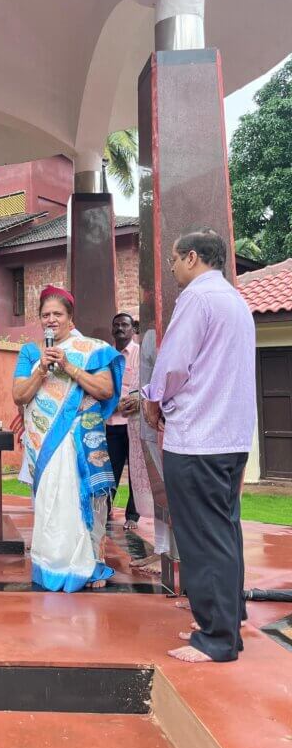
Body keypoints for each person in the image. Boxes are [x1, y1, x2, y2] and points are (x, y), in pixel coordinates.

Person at [142, 228, 256, 664]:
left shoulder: (197, 299)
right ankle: (227, 620)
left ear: (192, 258)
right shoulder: (235, 302)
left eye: (173, 259)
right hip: (229, 438)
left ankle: (216, 639)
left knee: (202, 537)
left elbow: (172, 365)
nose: (171, 268)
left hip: (199, 439)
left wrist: (154, 401)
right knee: (224, 530)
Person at [13, 286, 124, 591]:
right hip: (44, 443)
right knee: (49, 504)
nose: (51, 319)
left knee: (79, 500)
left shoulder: (91, 349)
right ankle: (51, 565)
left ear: (70, 318)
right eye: (45, 314)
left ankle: (86, 566)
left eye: (57, 314)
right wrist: (42, 372)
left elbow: (105, 391)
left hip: (78, 441)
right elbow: (18, 394)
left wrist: (68, 366)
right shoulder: (31, 353)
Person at [106, 312, 142, 531]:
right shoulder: (106, 356)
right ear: (112, 330)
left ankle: (132, 515)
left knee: (135, 471)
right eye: (116, 325)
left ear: (133, 329)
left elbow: (147, 382)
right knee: (111, 470)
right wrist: (114, 405)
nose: (120, 328)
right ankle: (106, 508)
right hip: (112, 423)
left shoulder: (140, 354)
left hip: (135, 423)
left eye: (125, 325)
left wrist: (137, 399)